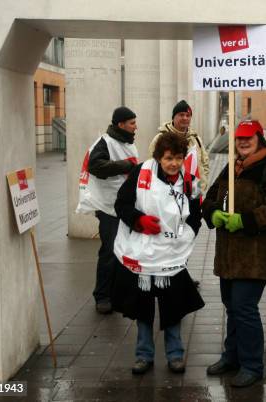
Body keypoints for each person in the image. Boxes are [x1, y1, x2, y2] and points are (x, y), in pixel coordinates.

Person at [201, 120, 266, 387]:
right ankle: (232, 357)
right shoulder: (232, 166)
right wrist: (213, 212)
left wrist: (244, 221)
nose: (242, 142)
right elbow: (211, 197)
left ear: (260, 138)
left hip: (255, 254)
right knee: (231, 305)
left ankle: (252, 365)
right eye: (239, 138)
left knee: (244, 307)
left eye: (248, 137)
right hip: (229, 254)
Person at [112, 132, 205, 375]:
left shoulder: (189, 180)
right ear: (158, 158)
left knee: (172, 305)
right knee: (143, 308)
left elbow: (196, 212)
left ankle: (175, 354)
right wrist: (139, 220)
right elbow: (121, 203)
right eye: (168, 158)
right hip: (143, 252)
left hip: (171, 254)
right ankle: (144, 355)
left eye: (178, 158)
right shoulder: (141, 173)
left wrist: (188, 234)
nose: (173, 163)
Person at [76, 106, 139, 314]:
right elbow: (96, 167)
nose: (135, 127)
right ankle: (102, 296)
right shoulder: (105, 143)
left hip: (122, 205)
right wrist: (125, 166)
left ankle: (114, 294)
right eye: (132, 123)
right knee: (110, 252)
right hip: (108, 207)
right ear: (121, 124)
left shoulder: (126, 142)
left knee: (122, 251)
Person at [148, 100, 210, 194]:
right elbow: (152, 164)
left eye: (188, 115)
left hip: (194, 192)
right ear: (173, 117)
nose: (185, 118)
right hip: (169, 193)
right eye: (181, 115)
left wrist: (203, 184)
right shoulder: (160, 139)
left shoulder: (196, 139)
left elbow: (205, 163)